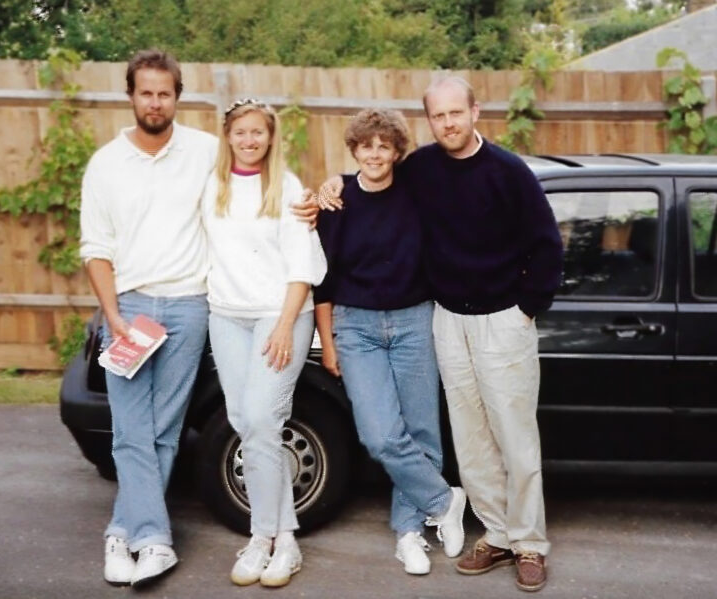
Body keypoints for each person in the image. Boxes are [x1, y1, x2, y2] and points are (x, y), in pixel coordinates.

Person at [318, 77, 563, 593]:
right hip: (447, 319)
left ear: (475, 112)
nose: (448, 123)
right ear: (429, 121)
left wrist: (526, 310)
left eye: (457, 113)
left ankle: (529, 544)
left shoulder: (508, 171)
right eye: (438, 116)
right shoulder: (422, 169)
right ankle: (494, 534)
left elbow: (546, 244)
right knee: (471, 440)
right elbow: (369, 174)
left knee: (514, 437)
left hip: (503, 320)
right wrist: (330, 185)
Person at [80, 49, 216, 588]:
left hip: (188, 307)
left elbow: (261, 179)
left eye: (164, 92)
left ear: (177, 97)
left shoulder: (206, 150)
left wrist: (315, 196)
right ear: (131, 95)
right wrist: (112, 315)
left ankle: (121, 532)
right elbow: (96, 249)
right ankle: (153, 540)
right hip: (131, 309)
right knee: (132, 429)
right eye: (145, 92)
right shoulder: (106, 164)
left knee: (164, 429)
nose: (154, 101)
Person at [313, 108, 467, 576]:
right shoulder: (336, 203)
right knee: (379, 434)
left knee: (421, 432)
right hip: (356, 326)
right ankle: (444, 500)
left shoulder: (416, 192)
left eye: (384, 145)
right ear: (355, 149)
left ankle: (410, 532)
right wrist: (329, 340)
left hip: (413, 319)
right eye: (366, 145)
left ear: (397, 151)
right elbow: (325, 280)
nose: (375, 153)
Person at [200, 98, 327, 588]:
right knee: (246, 424)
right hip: (226, 317)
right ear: (228, 136)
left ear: (270, 137)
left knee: (260, 420)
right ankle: (274, 539)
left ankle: (272, 540)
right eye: (241, 132)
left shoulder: (288, 187)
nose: (249, 140)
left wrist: (285, 323)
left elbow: (303, 268)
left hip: (280, 316)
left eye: (258, 132)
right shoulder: (212, 186)